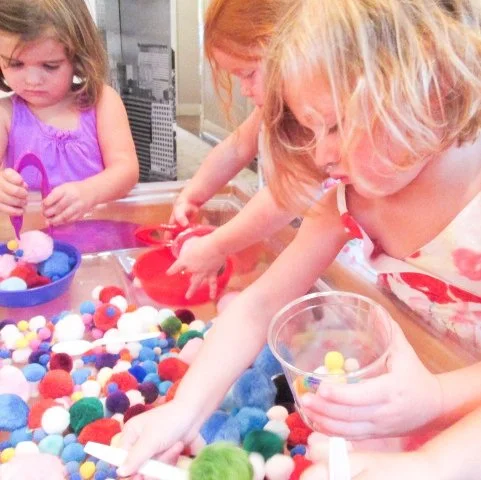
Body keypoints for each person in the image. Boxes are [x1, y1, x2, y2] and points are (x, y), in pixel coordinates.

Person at [117, 0, 481, 476]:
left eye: (338, 124)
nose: (322, 152)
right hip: (425, 382)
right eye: (309, 128)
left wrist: (435, 435)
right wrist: (184, 412)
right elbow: (258, 307)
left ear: (434, 88)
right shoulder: (348, 204)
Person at [166, 0, 297, 298]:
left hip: (332, 249)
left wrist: (217, 245)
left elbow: (286, 197)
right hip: (278, 235)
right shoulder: (269, 109)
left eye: (248, 73)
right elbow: (236, 149)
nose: (243, 89)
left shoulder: (313, 118)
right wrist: (195, 193)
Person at [0, 0, 139, 226]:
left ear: (78, 57)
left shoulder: (102, 101)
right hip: (34, 245)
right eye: (16, 64)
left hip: (101, 238)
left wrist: (88, 192)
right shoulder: (5, 114)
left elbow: (127, 171)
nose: (32, 81)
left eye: (50, 66)